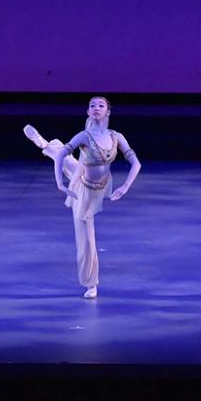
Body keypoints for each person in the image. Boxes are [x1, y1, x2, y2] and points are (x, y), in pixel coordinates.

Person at [23, 96, 141, 299]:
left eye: (101, 105)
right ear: (88, 112)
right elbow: (61, 157)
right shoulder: (84, 136)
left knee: (73, 163)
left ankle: (48, 145)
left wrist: (125, 186)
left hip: (100, 183)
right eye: (92, 105)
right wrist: (60, 184)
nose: (96, 108)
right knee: (86, 236)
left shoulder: (116, 136)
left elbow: (136, 163)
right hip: (83, 188)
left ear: (108, 112)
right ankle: (91, 283)